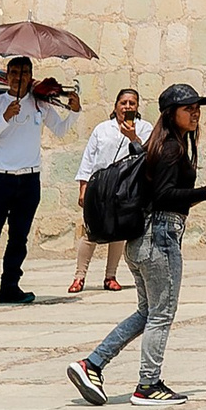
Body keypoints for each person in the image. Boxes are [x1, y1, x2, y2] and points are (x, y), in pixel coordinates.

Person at [65, 85, 206, 405]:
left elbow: (160, 193)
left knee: (148, 312)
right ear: (171, 113)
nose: (195, 113)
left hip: (143, 240)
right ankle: (148, 384)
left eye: (197, 108)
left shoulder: (158, 145)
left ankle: (92, 364)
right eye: (188, 108)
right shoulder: (170, 148)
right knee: (161, 314)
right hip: (159, 238)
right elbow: (164, 196)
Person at [0, 56, 81, 305]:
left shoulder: (39, 104)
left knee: (19, 237)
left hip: (28, 180)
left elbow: (60, 129)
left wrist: (75, 112)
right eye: (14, 72)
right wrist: (5, 117)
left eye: (23, 73)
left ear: (30, 76)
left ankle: (10, 286)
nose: (18, 78)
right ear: (7, 76)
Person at [69, 86, 142, 294]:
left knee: (118, 231)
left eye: (132, 103)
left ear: (137, 107)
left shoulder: (144, 128)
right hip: (100, 185)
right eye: (123, 103)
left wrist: (133, 137)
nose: (127, 106)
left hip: (125, 186)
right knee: (91, 230)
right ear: (116, 106)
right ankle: (79, 276)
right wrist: (83, 187)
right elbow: (89, 158)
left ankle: (111, 276)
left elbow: (145, 153)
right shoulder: (102, 129)